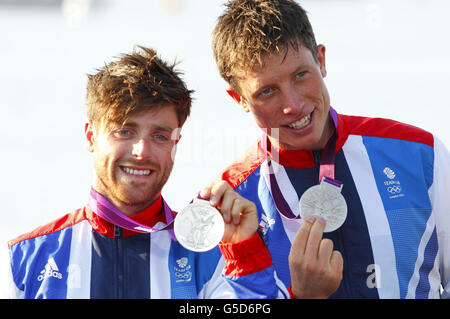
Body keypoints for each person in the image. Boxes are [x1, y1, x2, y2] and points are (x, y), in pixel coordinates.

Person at [0, 46, 283, 299]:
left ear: (176, 144)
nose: (142, 151)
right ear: (91, 137)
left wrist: (245, 252)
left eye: (159, 136)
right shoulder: (24, 260)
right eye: (124, 131)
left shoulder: (211, 259)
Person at [211, 0, 450, 298]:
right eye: (267, 91)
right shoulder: (232, 202)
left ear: (321, 60)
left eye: (301, 75)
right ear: (240, 100)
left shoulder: (418, 154)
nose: (293, 105)